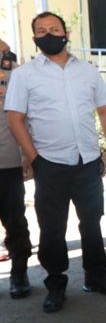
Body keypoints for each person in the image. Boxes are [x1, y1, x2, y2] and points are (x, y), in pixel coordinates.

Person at [5, 12, 106, 313]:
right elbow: (15, 118)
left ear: (65, 33)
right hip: (50, 163)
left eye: (54, 29)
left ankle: (96, 277)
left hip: (87, 161)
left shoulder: (87, 71)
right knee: (53, 229)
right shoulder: (24, 75)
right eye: (41, 31)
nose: (48, 34)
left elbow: (104, 111)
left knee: (92, 222)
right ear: (34, 38)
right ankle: (55, 284)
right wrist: (35, 158)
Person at [0, 38, 33, 299]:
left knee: (14, 219)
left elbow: (25, 115)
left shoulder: (11, 69)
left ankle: (19, 271)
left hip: (7, 159)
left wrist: (27, 154)